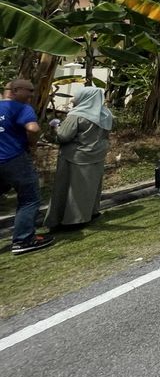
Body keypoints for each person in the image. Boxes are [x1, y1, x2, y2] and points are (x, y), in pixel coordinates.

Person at [44, 86, 113, 230]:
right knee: (91, 187)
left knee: (70, 189)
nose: (74, 99)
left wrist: (55, 127)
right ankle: (90, 213)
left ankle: (69, 220)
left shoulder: (77, 116)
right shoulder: (105, 114)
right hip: (97, 155)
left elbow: (63, 136)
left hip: (75, 157)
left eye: (77, 96)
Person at [0, 79, 54, 254]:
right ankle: (23, 240)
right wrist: (32, 143)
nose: (32, 95)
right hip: (14, 159)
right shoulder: (21, 108)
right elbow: (33, 128)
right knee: (29, 198)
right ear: (15, 90)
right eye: (29, 91)